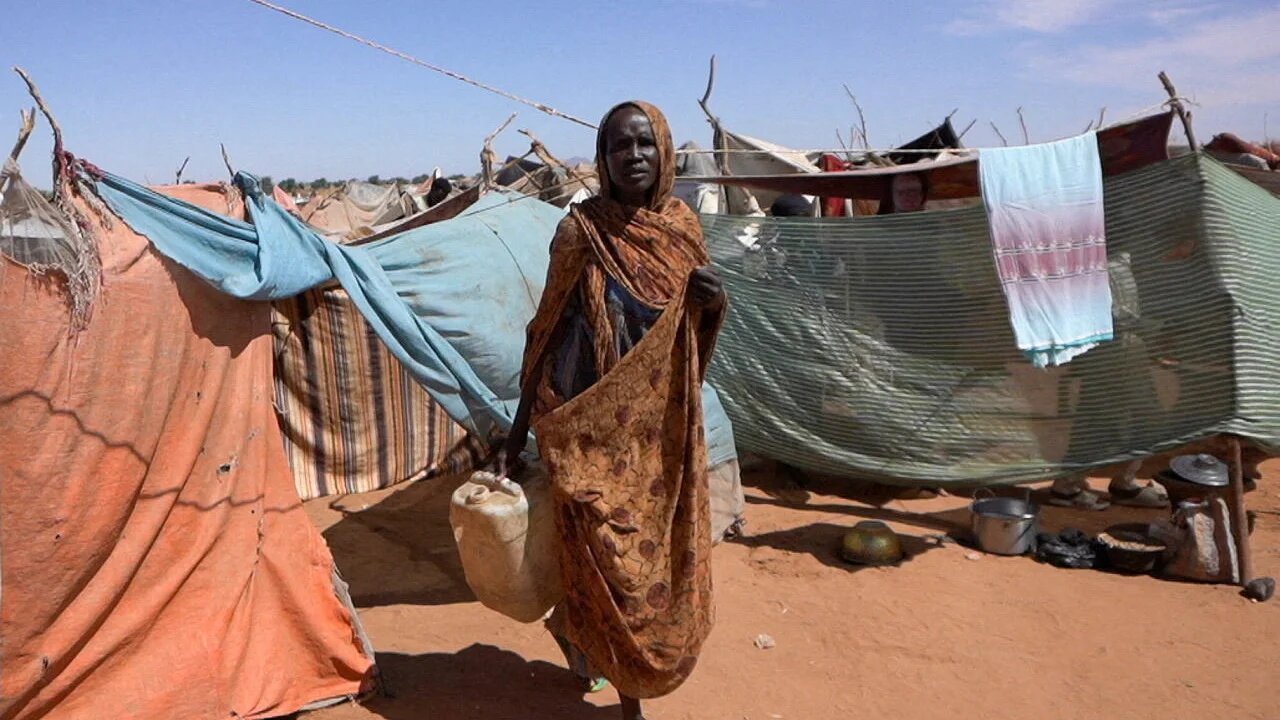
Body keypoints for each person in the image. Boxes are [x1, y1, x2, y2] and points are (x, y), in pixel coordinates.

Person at [494, 100, 727, 720]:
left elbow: (687, 346)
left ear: (665, 151)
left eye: (644, 144)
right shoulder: (580, 231)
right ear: (602, 158)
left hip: (657, 438)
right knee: (607, 563)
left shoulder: (681, 230)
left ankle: (593, 643)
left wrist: (713, 301)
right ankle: (628, 699)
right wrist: (518, 432)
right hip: (584, 427)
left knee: (647, 564)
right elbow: (544, 332)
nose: (633, 157)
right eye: (619, 147)